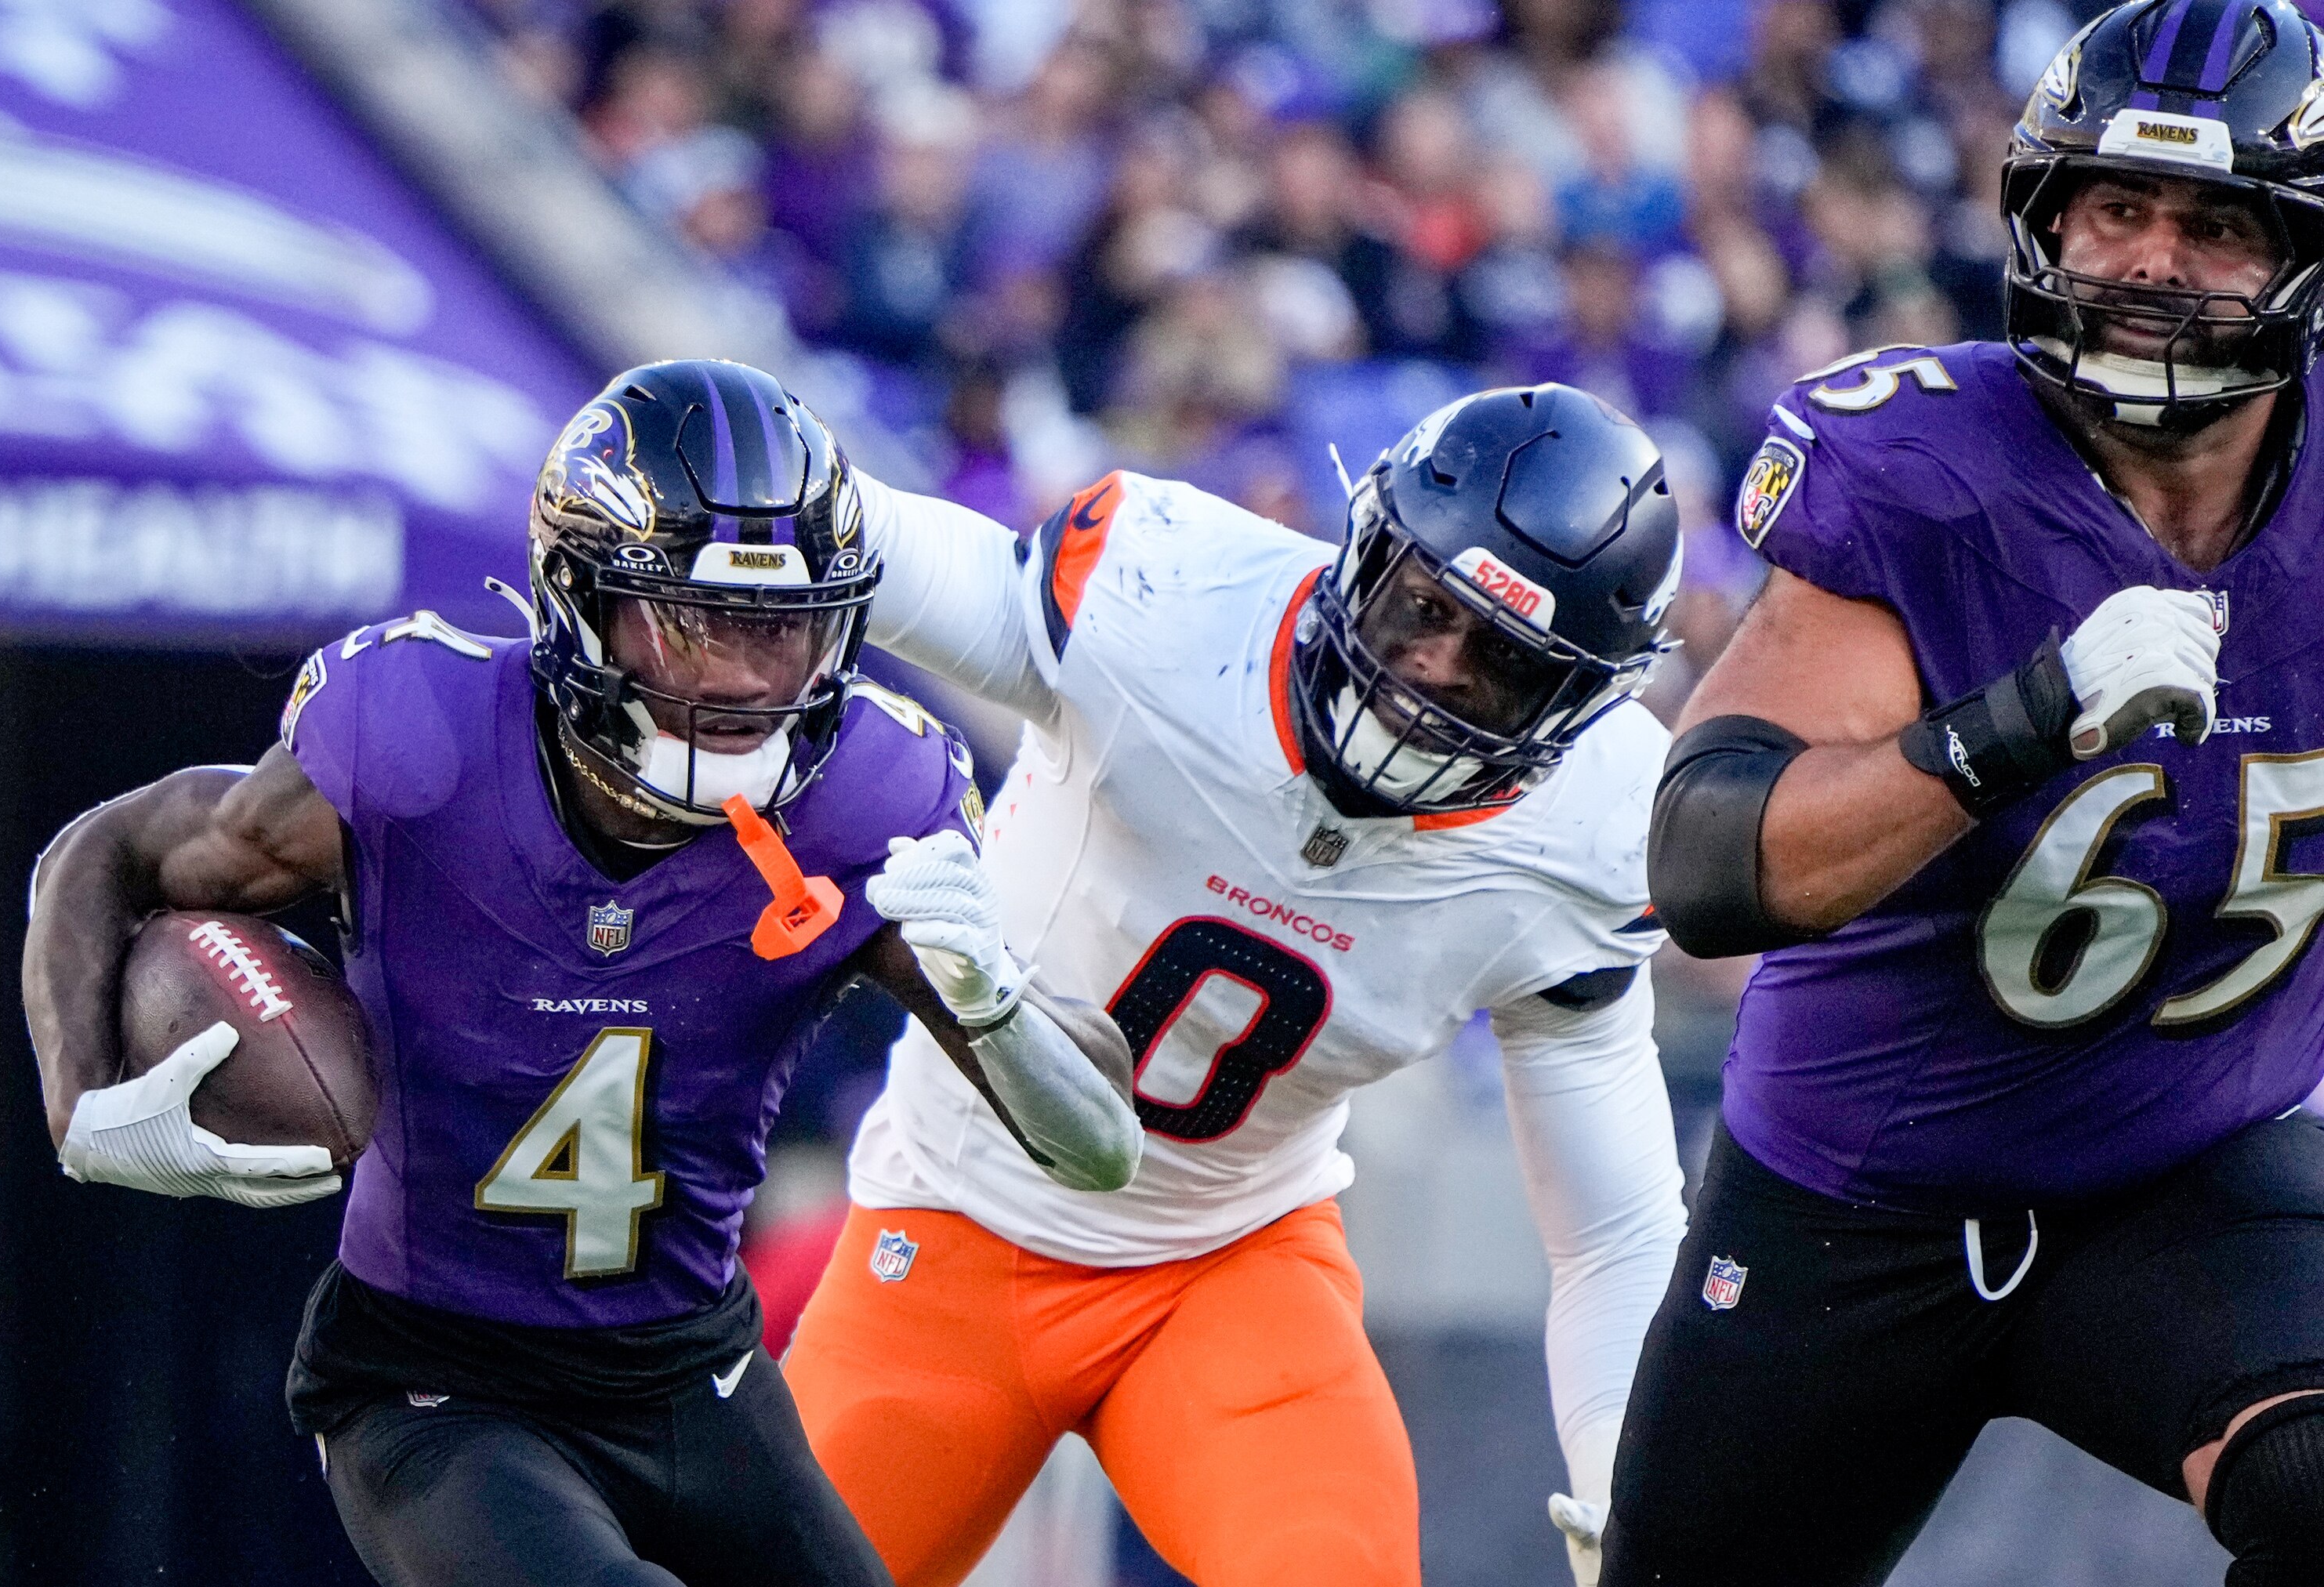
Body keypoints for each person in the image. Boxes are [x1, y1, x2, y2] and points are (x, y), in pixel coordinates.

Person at [20, 360, 1140, 1587]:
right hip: (436, 1381)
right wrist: (80, 1098)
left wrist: (994, 997)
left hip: (690, 1372)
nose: (750, 682)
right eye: (701, 620)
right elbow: (109, 849)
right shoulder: (418, 744)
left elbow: (1098, 1145)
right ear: (580, 596)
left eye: (787, 625)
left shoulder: (870, 801)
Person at [779, 381, 1692, 1587]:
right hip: (951, 1225)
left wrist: (1634, 1494)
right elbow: (873, 550)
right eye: (1423, 604)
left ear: (1575, 705)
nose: (1430, 665)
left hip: (1226, 1268)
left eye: (1500, 666)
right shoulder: (1168, 599)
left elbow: (1614, 1227)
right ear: (1369, 545)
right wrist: (762, 503)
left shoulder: (1590, 827)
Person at [1626, 5, 2324, 1582]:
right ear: (2042, 216)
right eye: (2116, 207)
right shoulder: (1931, 466)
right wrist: (2017, 722)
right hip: (1854, 1200)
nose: (2152, 259)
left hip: (2179, 1174)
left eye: (2216, 222)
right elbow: (1705, 857)